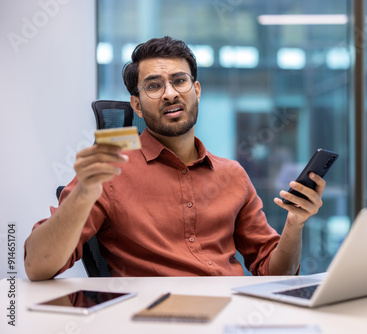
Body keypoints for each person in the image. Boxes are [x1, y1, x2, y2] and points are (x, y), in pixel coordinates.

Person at [24, 36, 326, 281]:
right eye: (154, 86)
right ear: (137, 105)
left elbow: (276, 273)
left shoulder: (233, 175)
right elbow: (38, 267)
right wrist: (83, 195)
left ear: (195, 90)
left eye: (179, 81)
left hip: (232, 317)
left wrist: (295, 223)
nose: (169, 93)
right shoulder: (109, 172)